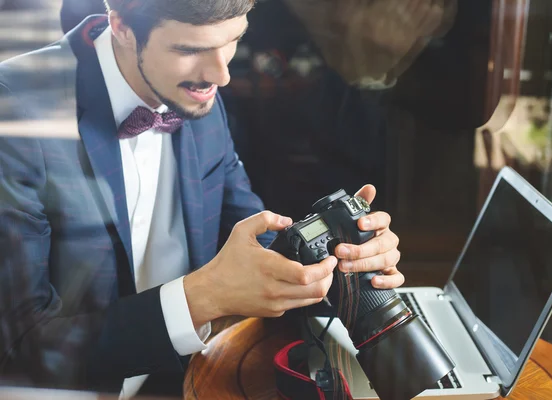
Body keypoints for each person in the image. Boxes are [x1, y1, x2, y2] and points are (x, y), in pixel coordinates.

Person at [0, 0, 403, 397]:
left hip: (181, 374)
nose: (222, 75)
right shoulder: (14, 114)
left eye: (233, 40)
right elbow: (23, 348)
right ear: (120, 25)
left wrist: (344, 264)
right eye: (190, 49)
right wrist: (203, 297)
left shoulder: (197, 92)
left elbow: (259, 246)